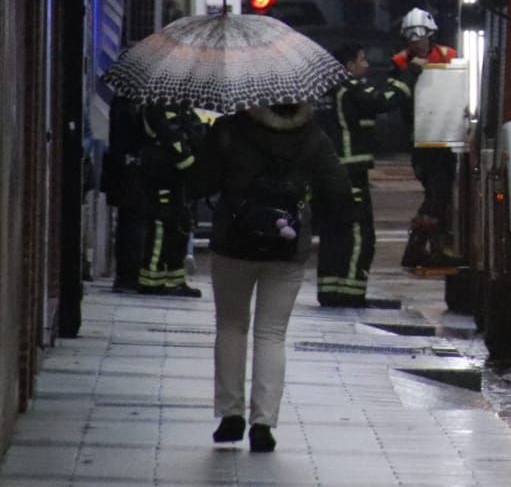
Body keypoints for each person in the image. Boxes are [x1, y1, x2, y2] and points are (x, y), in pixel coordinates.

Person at [191, 99, 351, 453]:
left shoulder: (230, 129)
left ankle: (230, 414)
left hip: (234, 241)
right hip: (287, 245)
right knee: (272, 334)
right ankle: (263, 423)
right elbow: (338, 189)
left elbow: (199, 182)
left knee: (231, 326)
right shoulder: (313, 135)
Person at [316, 43, 405, 307]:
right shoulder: (349, 89)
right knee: (358, 235)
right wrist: (404, 76)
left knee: (333, 234)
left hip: (327, 173)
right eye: (362, 60)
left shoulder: (323, 91)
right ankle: (351, 294)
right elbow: (385, 101)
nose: (366, 65)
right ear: (349, 65)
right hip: (349, 173)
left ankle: (330, 290)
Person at [389, 8, 460, 269]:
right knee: (436, 194)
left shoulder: (448, 55)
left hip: (447, 135)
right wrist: (413, 71)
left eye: (421, 37)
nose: (417, 42)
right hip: (422, 139)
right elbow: (399, 97)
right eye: (412, 38)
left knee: (441, 195)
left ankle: (431, 246)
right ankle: (421, 246)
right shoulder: (399, 63)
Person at [137, 104, 204, 297]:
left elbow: (194, 131)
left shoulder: (182, 106)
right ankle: (151, 279)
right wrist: (189, 162)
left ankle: (175, 280)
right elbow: (170, 135)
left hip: (176, 175)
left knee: (179, 225)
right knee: (161, 222)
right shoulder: (158, 104)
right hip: (162, 171)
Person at [106, 96, 146, 293]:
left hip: (125, 172)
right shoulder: (128, 105)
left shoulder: (123, 102)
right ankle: (128, 274)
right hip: (130, 174)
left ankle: (127, 273)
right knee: (132, 224)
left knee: (128, 223)